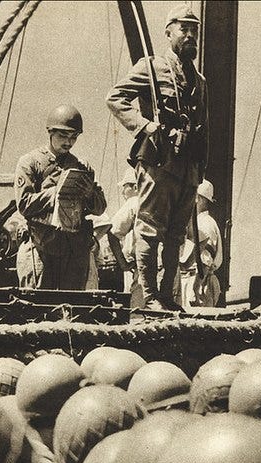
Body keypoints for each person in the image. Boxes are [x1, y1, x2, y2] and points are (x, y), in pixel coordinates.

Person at [107, 2, 208, 311]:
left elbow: (205, 127)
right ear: (168, 32)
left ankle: (167, 296)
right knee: (150, 229)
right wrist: (144, 126)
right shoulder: (151, 67)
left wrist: (200, 169)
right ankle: (150, 297)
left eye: (194, 30)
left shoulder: (200, 81)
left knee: (176, 235)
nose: (190, 35)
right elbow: (115, 97)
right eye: (184, 29)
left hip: (187, 166)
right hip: (158, 161)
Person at [13, 106, 106, 290]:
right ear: (50, 132)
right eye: (63, 135)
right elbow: (24, 204)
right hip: (41, 247)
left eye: (74, 137)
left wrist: (89, 194)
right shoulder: (30, 162)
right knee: (38, 306)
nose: (69, 142)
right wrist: (56, 192)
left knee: (72, 308)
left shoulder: (81, 167)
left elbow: (100, 207)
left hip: (74, 250)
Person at [177, 179, 223, 307]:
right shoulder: (199, 221)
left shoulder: (205, 223)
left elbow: (205, 260)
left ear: (200, 199)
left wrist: (195, 289)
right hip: (193, 279)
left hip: (199, 282)